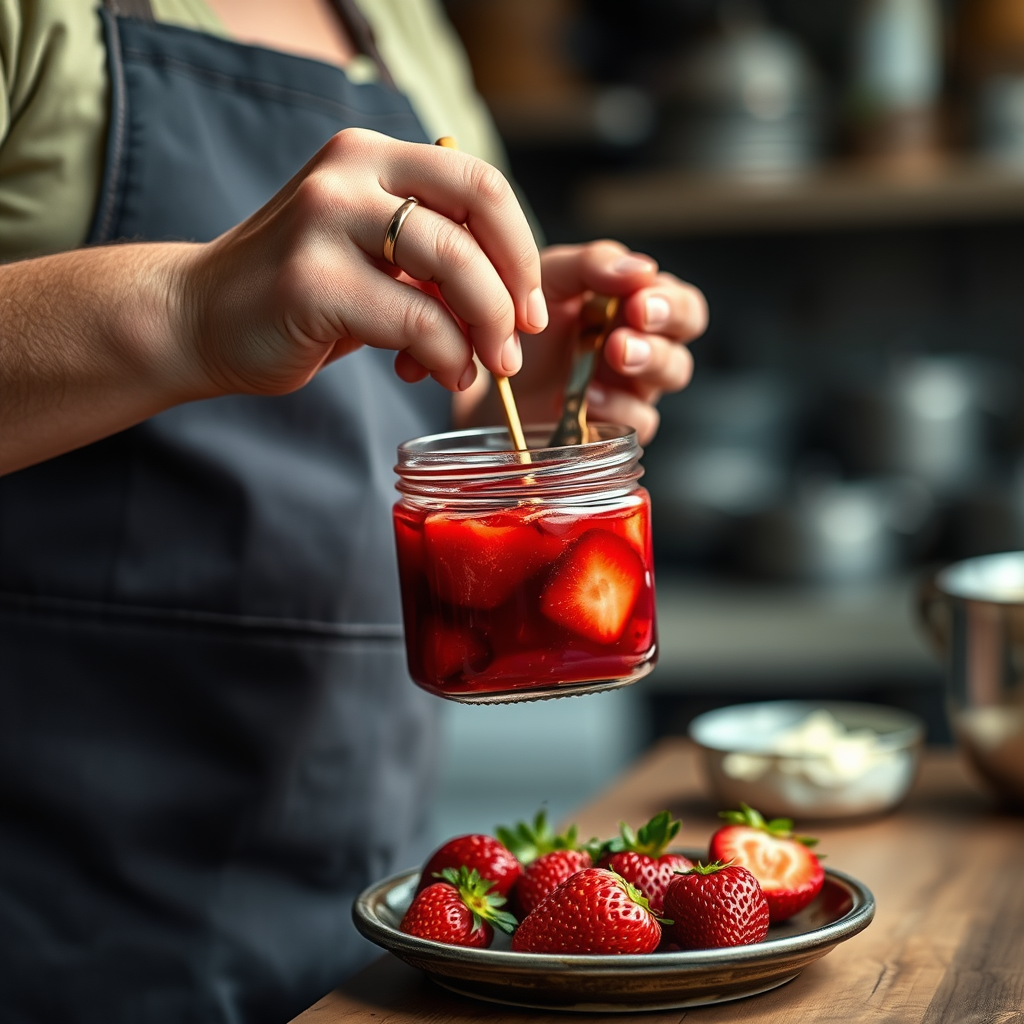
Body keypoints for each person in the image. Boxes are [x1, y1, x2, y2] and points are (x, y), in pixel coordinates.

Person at [0, 0, 707, 1020]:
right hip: (47, 926)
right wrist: (188, 308)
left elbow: (416, 398)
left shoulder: (400, 23)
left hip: (359, 927)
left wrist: (518, 384)